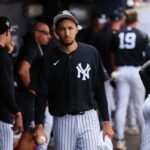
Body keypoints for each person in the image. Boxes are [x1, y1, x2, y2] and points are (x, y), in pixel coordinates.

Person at [31, 10, 114, 150]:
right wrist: (39, 126)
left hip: (89, 118)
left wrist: (106, 123)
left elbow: (100, 89)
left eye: (70, 28)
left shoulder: (91, 52)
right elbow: (41, 96)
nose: (66, 32)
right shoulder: (46, 59)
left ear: (77, 29)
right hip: (63, 120)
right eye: (62, 29)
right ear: (56, 32)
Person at [110, 9, 150, 150]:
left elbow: (112, 54)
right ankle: (144, 138)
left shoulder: (118, 34)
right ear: (136, 20)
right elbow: (147, 57)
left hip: (121, 71)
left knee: (121, 106)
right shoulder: (142, 34)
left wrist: (115, 69)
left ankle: (120, 139)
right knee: (140, 105)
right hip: (136, 70)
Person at [15, 22, 52, 150]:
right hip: (26, 97)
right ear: (37, 33)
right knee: (29, 133)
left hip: (29, 97)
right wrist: (34, 91)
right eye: (46, 33)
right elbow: (23, 70)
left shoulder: (35, 47)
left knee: (31, 133)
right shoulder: (30, 47)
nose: (50, 37)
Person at [0, 16, 23, 150]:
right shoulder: (2, 57)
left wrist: (8, 54)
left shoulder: (3, 56)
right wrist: (17, 112)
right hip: (2, 117)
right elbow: (6, 87)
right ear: (8, 33)